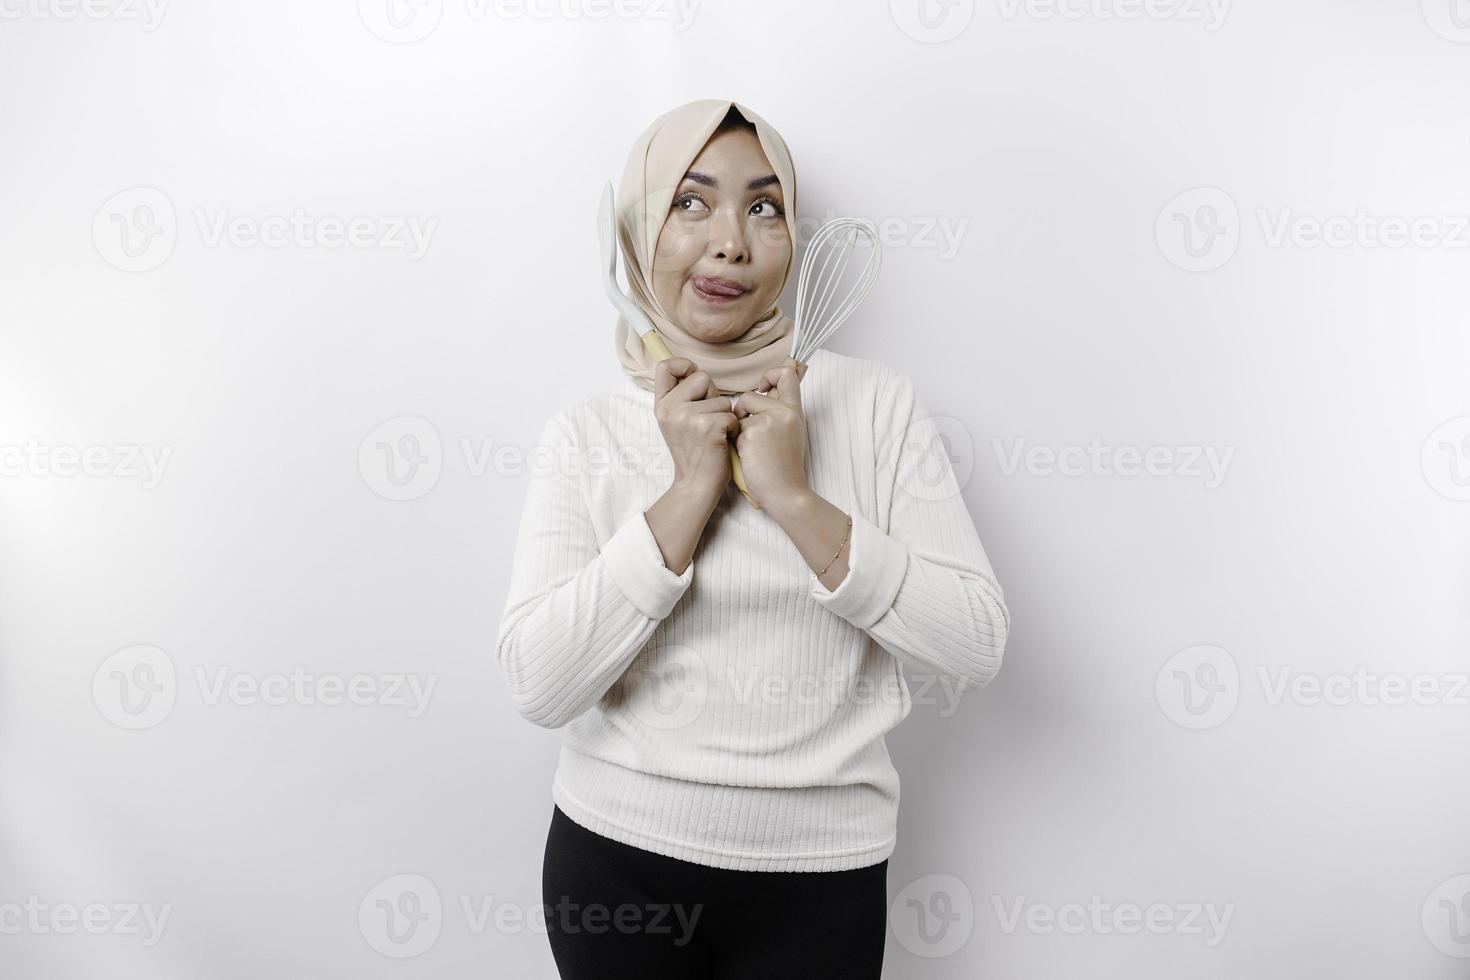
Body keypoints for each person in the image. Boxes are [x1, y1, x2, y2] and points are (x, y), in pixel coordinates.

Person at [495, 98, 1010, 979]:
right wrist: (688, 493)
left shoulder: (874, 405)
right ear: (635, 234)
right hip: (617, 864)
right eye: (689, 203)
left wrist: (792, 497)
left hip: (822, 879)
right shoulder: (584, 433)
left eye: (764, 206)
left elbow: (976, 642)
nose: (730, 241)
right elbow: (538, 684)